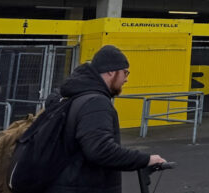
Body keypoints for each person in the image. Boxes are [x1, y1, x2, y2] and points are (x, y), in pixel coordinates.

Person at [44, 45, 167, 193]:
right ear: (110, 71)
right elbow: (100, 150)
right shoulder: (96, 102)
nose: (126, 79)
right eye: (125, 72)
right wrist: (146, 160)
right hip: (85, 186)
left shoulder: (75, 96)